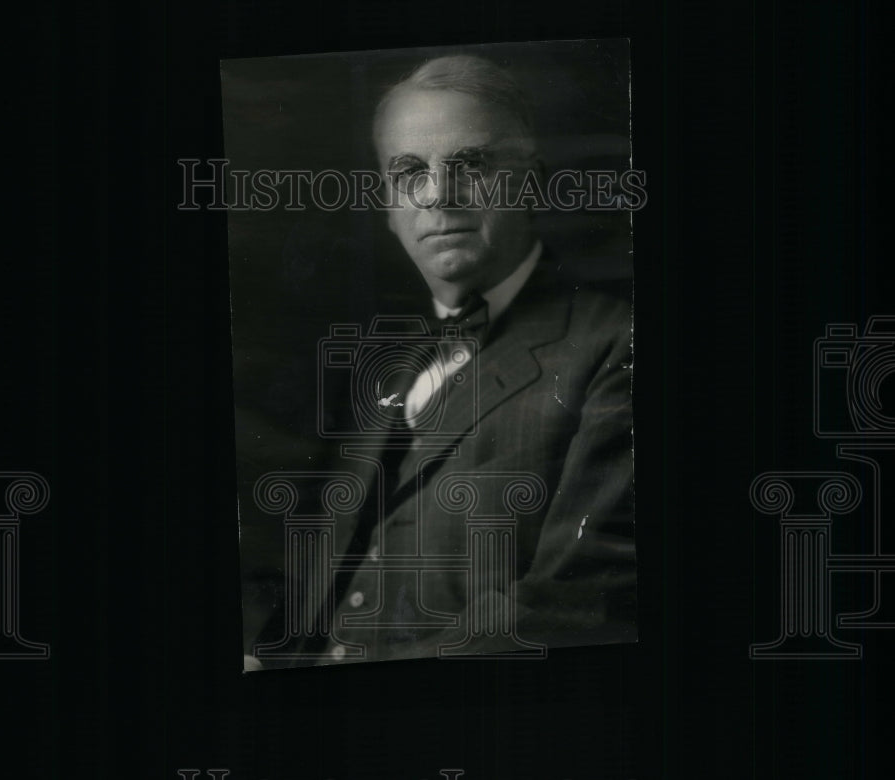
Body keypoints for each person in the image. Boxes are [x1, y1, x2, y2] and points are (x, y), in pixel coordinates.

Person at [246, 54, 635, 669]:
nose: (436, 194)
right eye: (408, 172)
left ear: (531, 180)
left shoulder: (616, 344)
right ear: (388, 207)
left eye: (470, 165)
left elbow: (582, 600)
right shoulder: (385, 360)